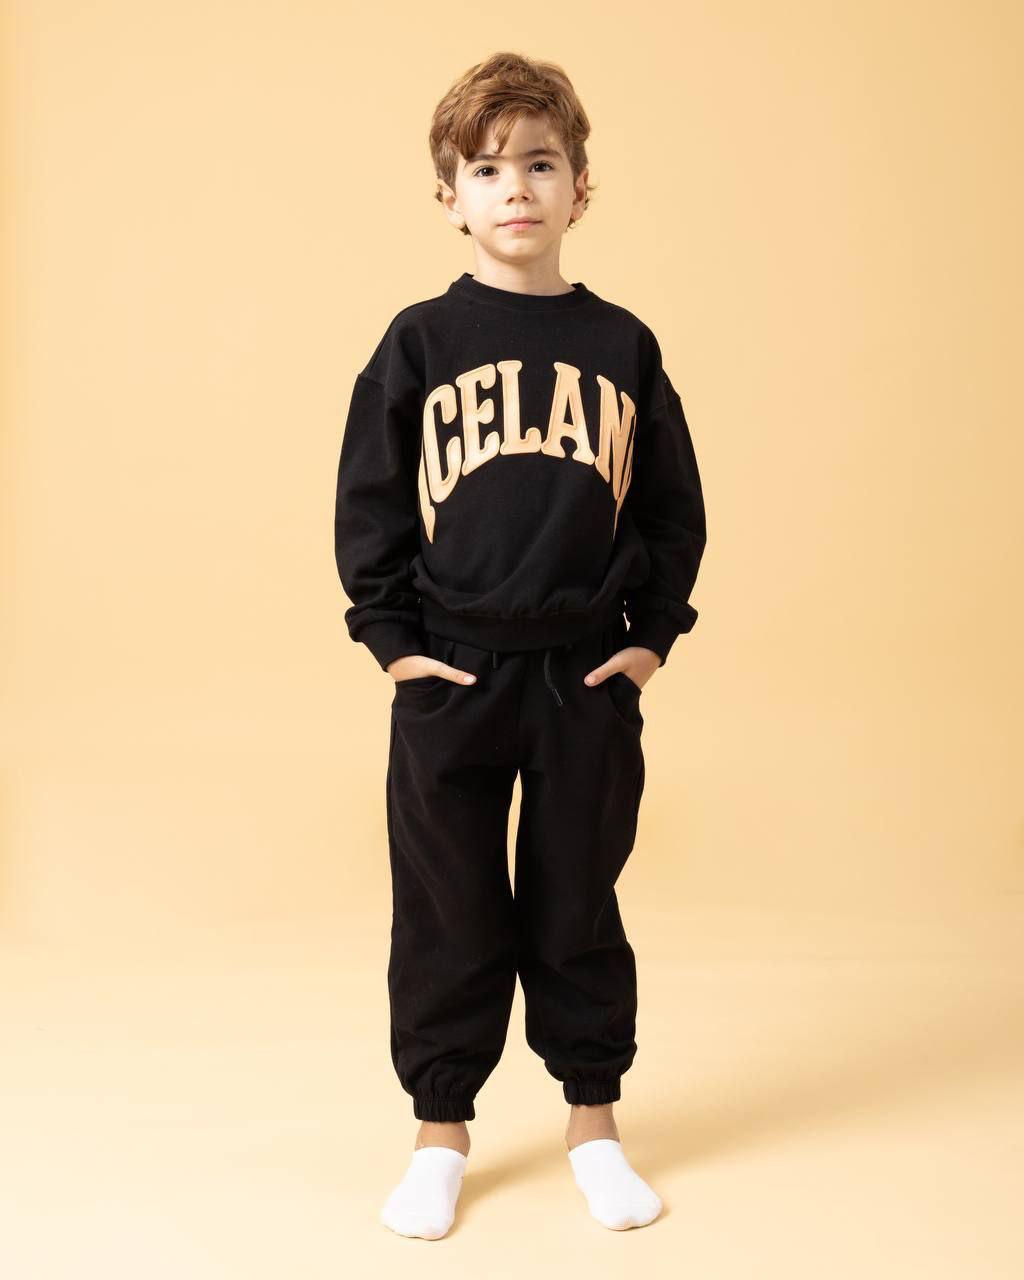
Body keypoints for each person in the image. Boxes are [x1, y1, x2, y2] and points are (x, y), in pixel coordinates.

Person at [334, 50, 706, 1239]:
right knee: (446, 908)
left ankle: (593, 1122)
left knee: (574, 898)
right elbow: (370, 498)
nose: (515, 189)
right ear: (449, 196)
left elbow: (672, 508)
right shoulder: (419, 341)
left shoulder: (623, 345)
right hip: (452, 672)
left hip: (583, 673)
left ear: (579, 187)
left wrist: (650, 640)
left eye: (539, 164)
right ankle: (440, 1133)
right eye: (487, 169)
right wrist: (393, 639)